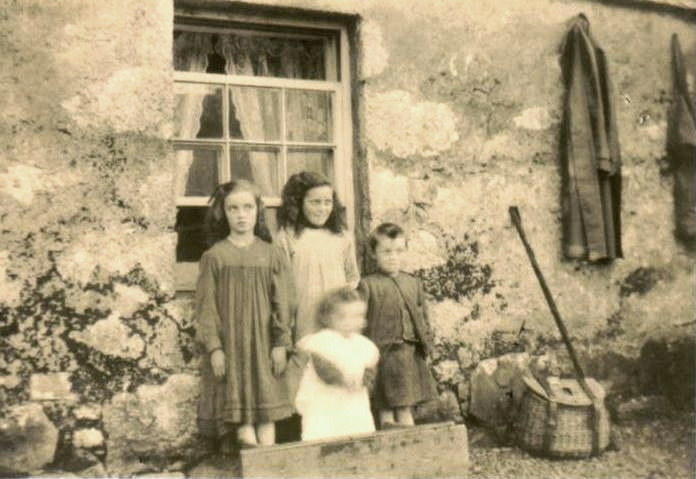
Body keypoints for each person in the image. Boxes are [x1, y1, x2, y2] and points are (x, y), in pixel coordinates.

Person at [195, 180, 294, 451]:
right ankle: (248, 448)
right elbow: (206, 308)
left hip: (264, 343)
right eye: (233, 208)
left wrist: (280, 343)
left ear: (258, 211)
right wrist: (215, 348)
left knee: (266, 403)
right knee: (242, 414)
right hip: (232, 344)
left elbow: (283, 303)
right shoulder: (215, 257)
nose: (241, 214)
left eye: (248, 207)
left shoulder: (272, 254)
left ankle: (269, 458)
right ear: (223, 213)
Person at [358, 223, 438, 429]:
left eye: (399, 251)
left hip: (408, 352)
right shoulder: (368, 285)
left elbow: (423, 317)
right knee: (384, 404)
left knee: (405, 403)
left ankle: (408, 438)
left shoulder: (413, 283)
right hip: (382, 353)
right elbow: (359, 320)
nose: (393, 256)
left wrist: (427, 345)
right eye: (386, 251)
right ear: (374, 254)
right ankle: (387, 432)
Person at [275, 171, 360, 342]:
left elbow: (352, 278)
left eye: (327, 202)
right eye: (315, 202)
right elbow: (281, 288)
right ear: (299, 203)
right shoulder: (287, 237)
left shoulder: (342, 237)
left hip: (337, 319)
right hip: (304, 317)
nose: (322, 209)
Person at [294, 287, 379, 441]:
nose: (351, 322)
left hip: (354, 402)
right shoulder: (322, 342)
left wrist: (366, 378)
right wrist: (347, 378)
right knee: (326, 434)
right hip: (326, 401)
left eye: (358, 316)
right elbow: (327, 373)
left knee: (357, 431)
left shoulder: (363, 345)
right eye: (343, 317)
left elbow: (369, 375)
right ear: (327, 318)